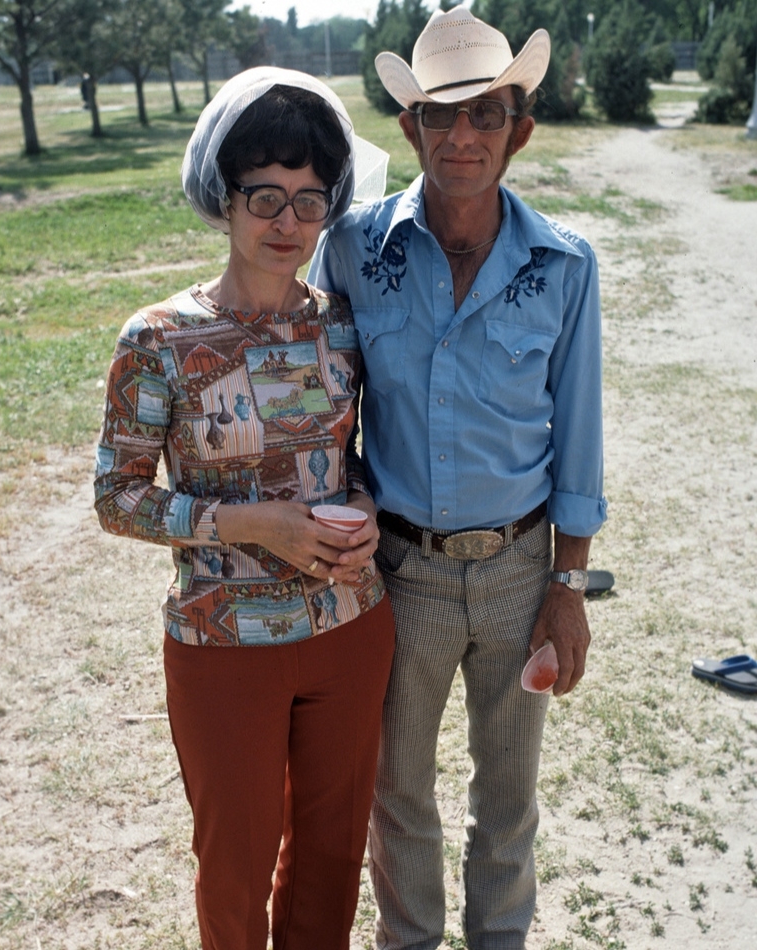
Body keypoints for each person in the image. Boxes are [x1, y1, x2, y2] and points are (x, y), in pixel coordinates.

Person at [308, 8, 607, 949]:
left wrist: (568, 586)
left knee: (508, 798)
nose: (465, 136)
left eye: (490, 113)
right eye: (443, 117)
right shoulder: (355, 250)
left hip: (522, 572)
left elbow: (582, 438)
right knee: (397, 793)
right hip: (398, 572)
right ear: (412, 130)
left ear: (519, 127)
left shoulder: (564, 265)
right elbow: (319, 397)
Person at [94, 67, 394, 950]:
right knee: (235, 867)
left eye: (309, 200)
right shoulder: (157, 339)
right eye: (265, 195)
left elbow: (354, 457)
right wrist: (255, 525)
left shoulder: (342, 325)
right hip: (223, 645)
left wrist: (367, 505)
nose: (288, 223)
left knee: (334, 857)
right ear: (221, 199)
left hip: (350, 627)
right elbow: (118, 497)